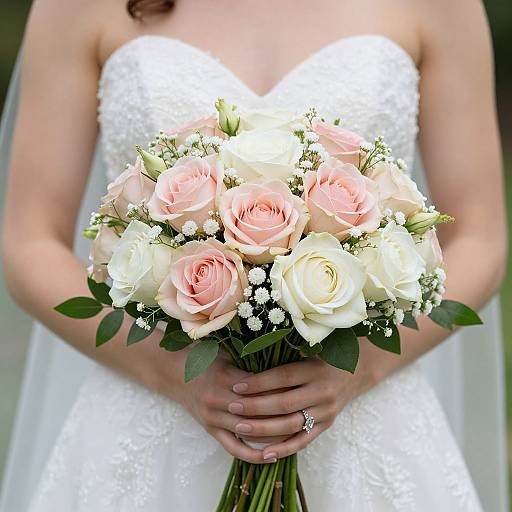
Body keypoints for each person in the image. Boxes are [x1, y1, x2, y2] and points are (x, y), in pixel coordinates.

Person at [0, 0, 508, 510]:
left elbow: (480, 238)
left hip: (365, 420)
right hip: (152, 411)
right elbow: (30, 243)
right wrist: (171, 371)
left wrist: (358, 369)